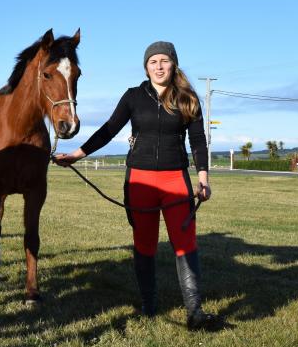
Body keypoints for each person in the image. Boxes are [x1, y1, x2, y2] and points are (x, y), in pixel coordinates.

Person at [54, 41, 220, 330]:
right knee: (145, 244)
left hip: (175, 179)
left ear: (173, 64)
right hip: (140, 180)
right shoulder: (133, 97)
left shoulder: (187, 97)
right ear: (146, 67)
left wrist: (203, 179)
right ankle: (149, 305)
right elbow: (108, 130)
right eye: (153, 61)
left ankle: (194, 311)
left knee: (185, 244)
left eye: (164, 61)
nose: (158, 66)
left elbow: (197, 141)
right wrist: (78, 155)